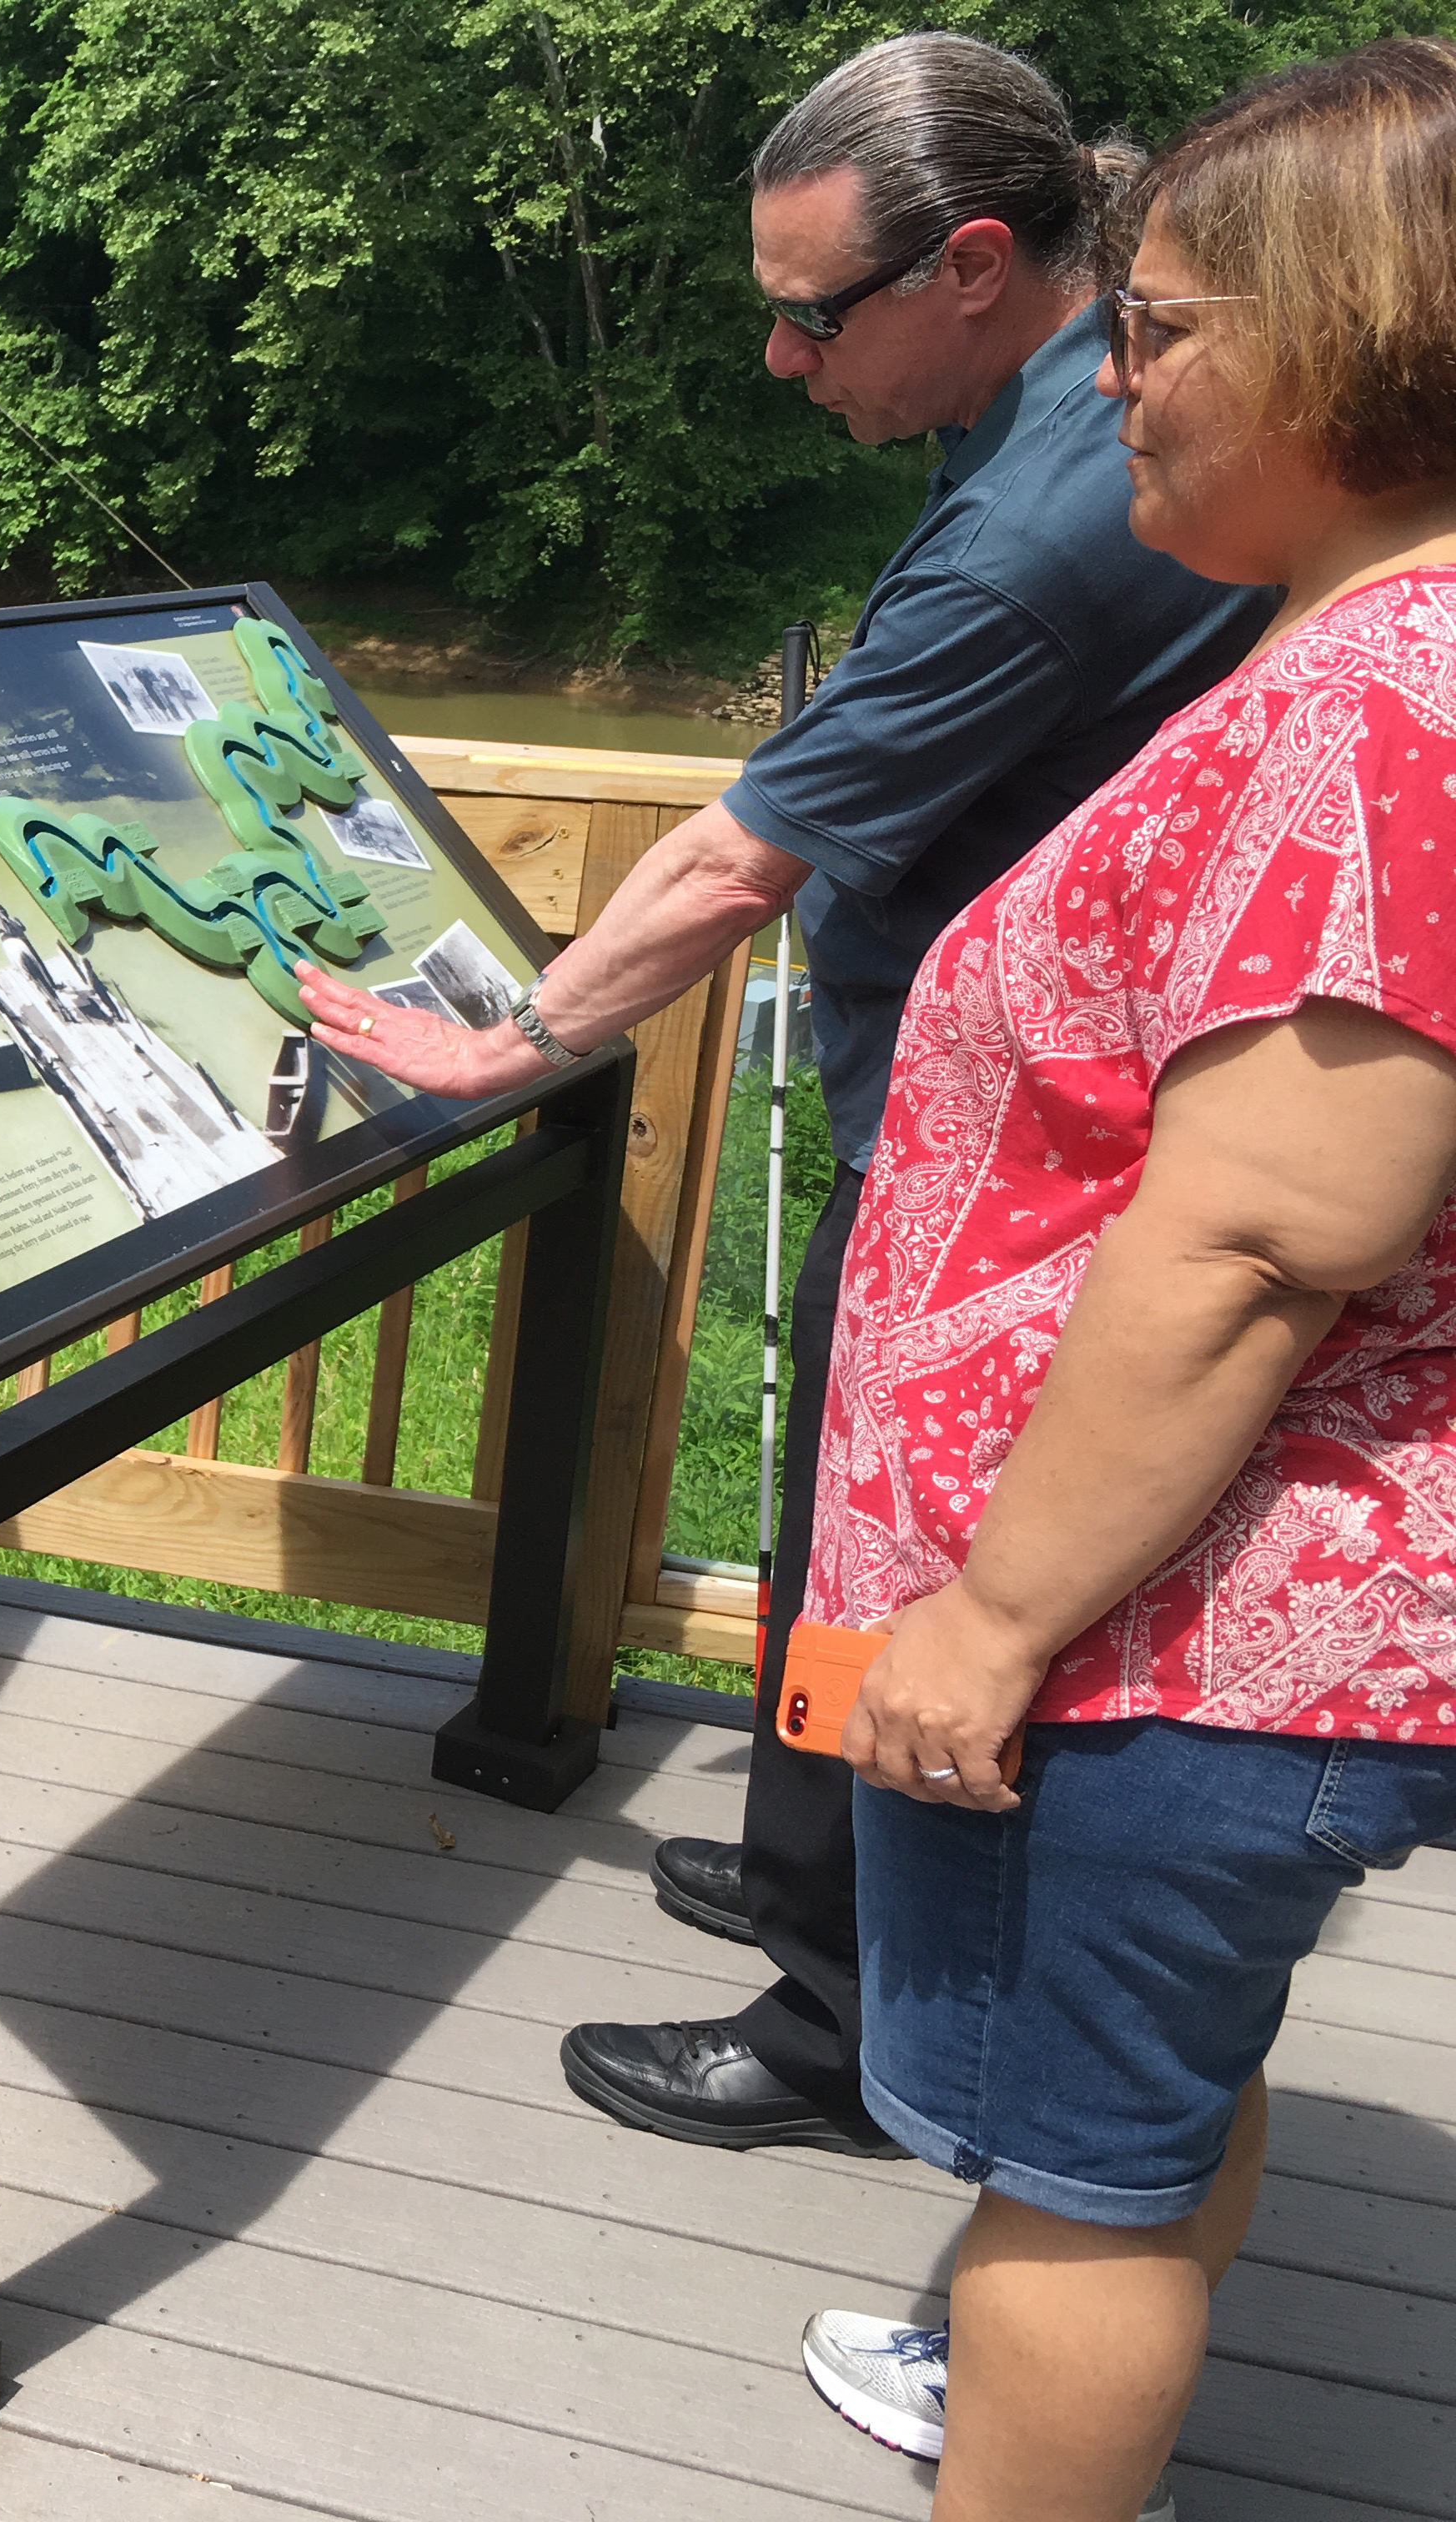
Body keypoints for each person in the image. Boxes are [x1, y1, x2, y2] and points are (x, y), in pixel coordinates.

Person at [294, 32, 1276, 2155]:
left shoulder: (1050, 518)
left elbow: (740, 855)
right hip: (975, 1105)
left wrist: (505, 1041)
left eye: (813, 311)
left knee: (899, 1553)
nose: (775, 354)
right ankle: (808, 1858)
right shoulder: (1071, 400)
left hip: (1006, 1149)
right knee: (841, 1517)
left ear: (980, 264)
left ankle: (838, 2027)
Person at [783, 42, 1456, 2519]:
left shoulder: (1382, 705)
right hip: (1198, 1619)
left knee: (1072, 2177)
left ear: (1354, 334)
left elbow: (1275, 1227)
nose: (1112, 375)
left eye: (1160, 327)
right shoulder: (1372, 668)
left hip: (1158, 1631)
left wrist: (986, 1619)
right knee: (1138, 2104)